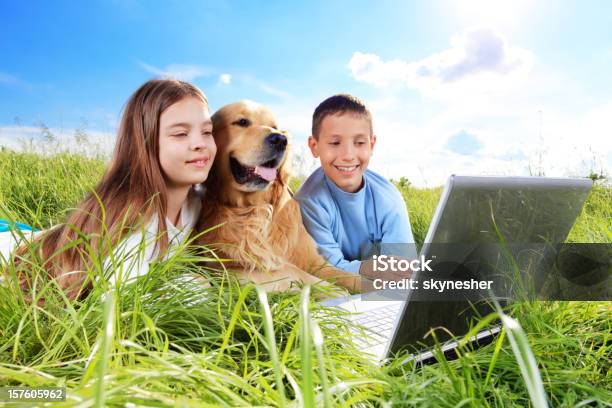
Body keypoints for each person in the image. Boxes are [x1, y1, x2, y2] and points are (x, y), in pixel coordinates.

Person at [0, 78, 216, 299]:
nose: (200, 143)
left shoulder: (196, 203)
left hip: (41, 235)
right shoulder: (137, 218)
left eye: (207, 132)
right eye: (181, 134)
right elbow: (121, 300)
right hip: (11, 250)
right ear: (145, 142)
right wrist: (196, 285)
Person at [294, 94, 416, 274]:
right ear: (314, 146)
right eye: (335, 143)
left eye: (359, 142)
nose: (348, 155)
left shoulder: (389, 198)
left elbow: (402, 267)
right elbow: (326, 270)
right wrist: (373, 270)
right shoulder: (308, 202)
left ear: (372, 145)